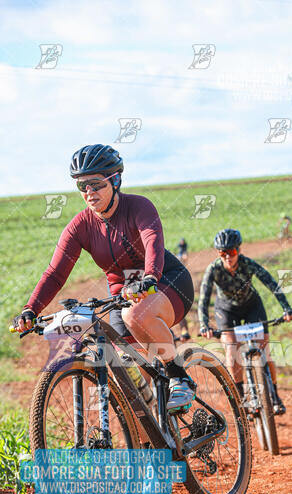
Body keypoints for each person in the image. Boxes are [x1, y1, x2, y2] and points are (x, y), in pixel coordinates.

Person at [13, 144, 195, 413]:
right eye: (82, 186)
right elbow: (55, 273)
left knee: (137, 315)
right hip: (122, 296)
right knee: (129, 389)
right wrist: (31, 308)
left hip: (166, 280)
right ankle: (153, 445)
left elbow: (153, 243)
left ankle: (179, 376)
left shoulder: (139, 207)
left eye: (95, 184)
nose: (89, 192)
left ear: (116, 180)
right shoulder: (80, 226)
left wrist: (148, 278)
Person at [198, 228, 292, 415]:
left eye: (232, 252)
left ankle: (274, 396)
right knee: (231, 350)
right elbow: (203, 298)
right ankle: (242, 398)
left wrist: (287, 308)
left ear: (239, 250)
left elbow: (271, 283)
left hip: (251, 306)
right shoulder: (213, 269)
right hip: (226, 309)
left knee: (265, 349)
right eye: (222, 252)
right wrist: (204, 324)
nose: (228, 256)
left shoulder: (247, 264)